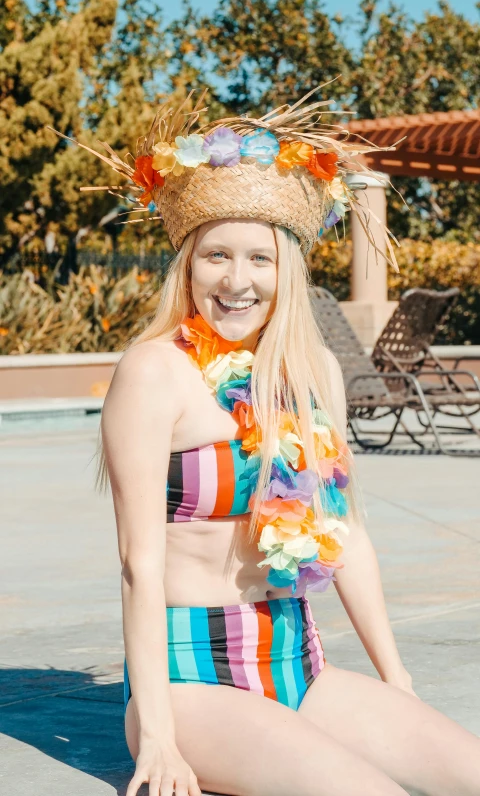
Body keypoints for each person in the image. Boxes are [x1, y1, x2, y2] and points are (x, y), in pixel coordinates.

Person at [63, 91, 480, 796]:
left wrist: (398, 681)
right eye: (216, 256)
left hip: (295, 663)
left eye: (259, 258)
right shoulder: (153, 372)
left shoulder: (308, 375)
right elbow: (140, 564)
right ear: (187, 265)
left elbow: (343, 537)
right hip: (189, 679)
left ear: (287, 268)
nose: (236, 280)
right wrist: (159, 738)